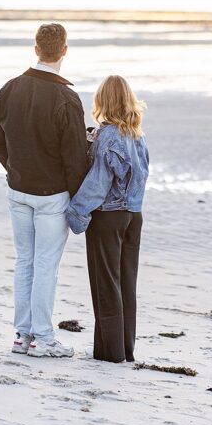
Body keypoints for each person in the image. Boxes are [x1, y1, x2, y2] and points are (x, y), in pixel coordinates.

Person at [0, 23, 89, 358]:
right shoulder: (66, 98)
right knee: (44, 265)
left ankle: (22, 336)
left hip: (18, 190)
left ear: (36, 49)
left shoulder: (8, 89)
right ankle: (43, 339)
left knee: (25, 262)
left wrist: (18, 170)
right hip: (51, 195)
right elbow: (74, 159)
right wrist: (77, 198)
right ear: (64, 50)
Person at [66, 75, 149, 363]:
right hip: (133, 216)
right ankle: (125, 348)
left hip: (108, 217)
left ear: (103, 101)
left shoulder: (108, 136)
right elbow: (141, 176)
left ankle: (109, 352)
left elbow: (98, 183)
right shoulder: (136, 134)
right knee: (126, 282)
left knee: (106, 284)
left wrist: (75, 213)